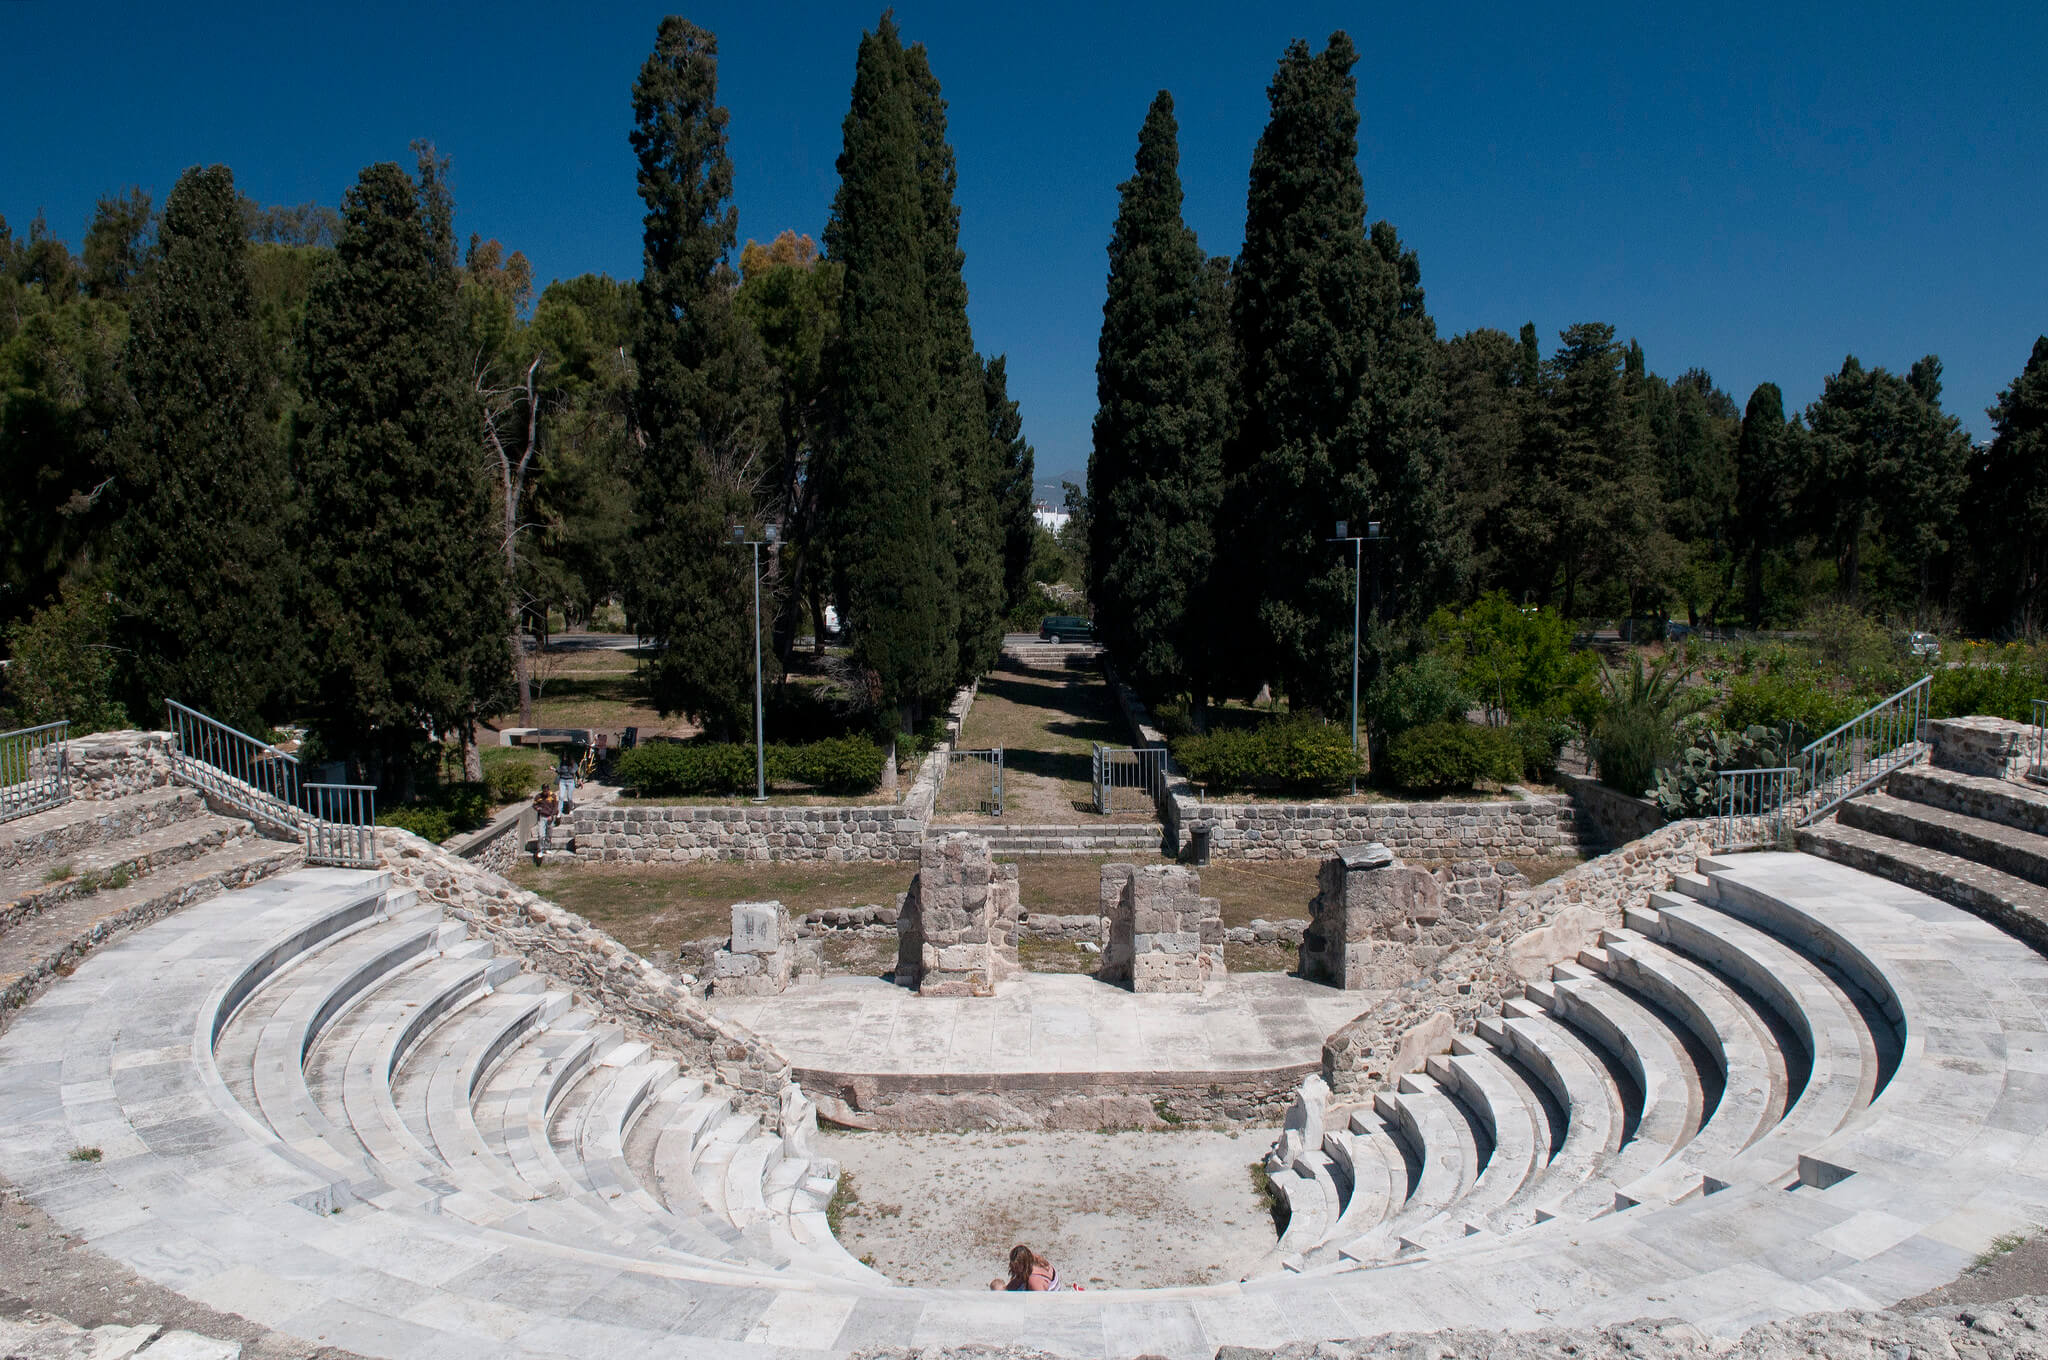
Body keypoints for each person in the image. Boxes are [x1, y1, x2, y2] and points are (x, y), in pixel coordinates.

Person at [990, 1245, 1063, 1292]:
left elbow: (1041, 1306)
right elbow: (1018, 1279)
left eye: (1016, 1267)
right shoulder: (1035, 1260)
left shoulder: (1034, 1281)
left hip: (1050, 1301)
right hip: (1050, 1290)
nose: (1014, 1269)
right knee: (999, 1288)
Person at [531, 786, 558, 863]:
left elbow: (555, 806)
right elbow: (534, 805)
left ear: (548, 790)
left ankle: (547, 848)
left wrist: (552, 815)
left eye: (546, 791)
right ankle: (540, 850)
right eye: (544, 791)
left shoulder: (553, 796)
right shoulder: (538, 797)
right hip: (542, 817)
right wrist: (538, 808)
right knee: (541, 834)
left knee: (549, 834)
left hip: (550, 817)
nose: (545, 793)